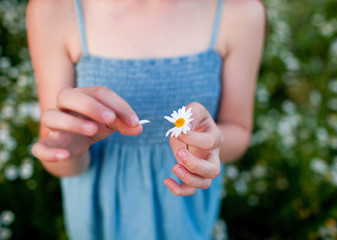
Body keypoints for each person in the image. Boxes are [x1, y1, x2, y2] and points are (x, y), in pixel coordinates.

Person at [26, 0, 265, 239]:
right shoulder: (54, 10)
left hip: (185, 220)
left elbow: (238, 130)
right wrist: (68, 149)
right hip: (100, 219)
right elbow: (57, 154)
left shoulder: (240, 12)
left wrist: (208, 143)